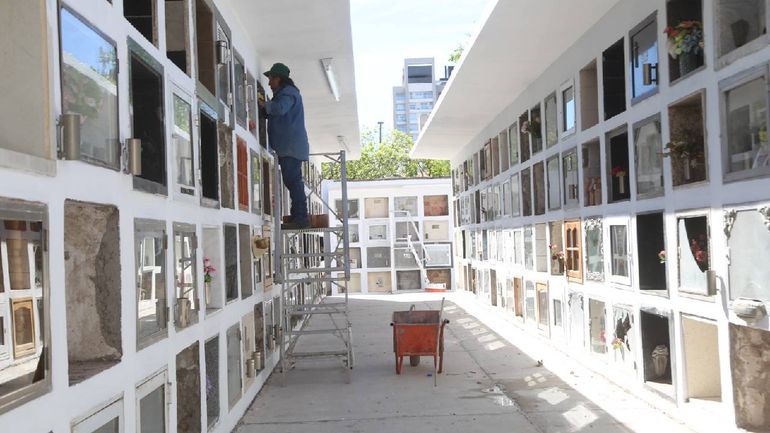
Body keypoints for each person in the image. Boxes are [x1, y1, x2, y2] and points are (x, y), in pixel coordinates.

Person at [259, 62, 310, 230]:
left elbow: (280, 109)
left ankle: (301, 218)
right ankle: (299, 217)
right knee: (293, 182)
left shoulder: (288, 93)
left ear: (278, 79)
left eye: (271, 79)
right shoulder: (288, 93)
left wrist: (264, 105)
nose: (269, 83)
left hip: (290, 147)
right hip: (290, 146)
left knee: (294, 182)